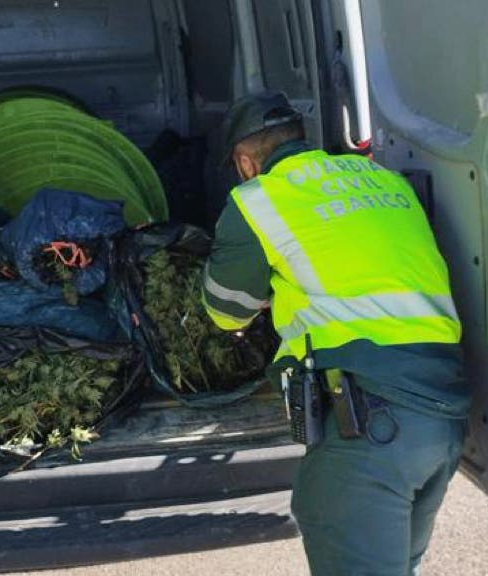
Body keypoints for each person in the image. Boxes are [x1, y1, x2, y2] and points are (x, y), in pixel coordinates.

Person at [200, 91, 470, 576]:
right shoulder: (382, 178)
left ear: (245, 162)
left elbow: (225, 312)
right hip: (441, 421)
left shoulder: (259, 199)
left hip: (370, 428)